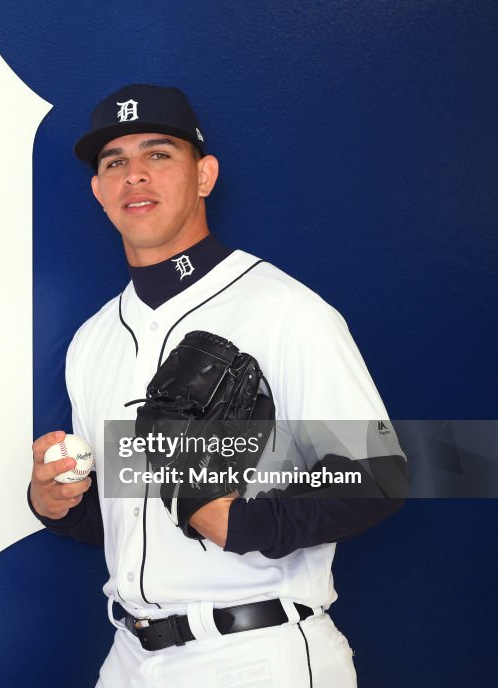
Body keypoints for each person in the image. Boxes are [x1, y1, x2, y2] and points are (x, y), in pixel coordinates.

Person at [27, 84, 407, 687]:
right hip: (129, 656)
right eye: (114, 162)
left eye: (158, 155)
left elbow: (379, 475)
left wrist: (245, 522)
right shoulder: (92, 339)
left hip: (255, 653)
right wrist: (57, 506)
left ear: (204, 176)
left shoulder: (285, 311)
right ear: (99, 191)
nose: (135, 176)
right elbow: (135, 516)